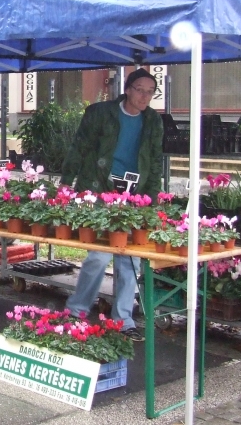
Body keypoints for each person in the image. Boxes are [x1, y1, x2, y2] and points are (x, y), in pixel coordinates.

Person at [60, 68, 164, 342]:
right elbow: (78, 147)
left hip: (134, 194)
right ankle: (77, 309)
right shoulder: (100, 113)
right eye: (140, 90)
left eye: (150, 91)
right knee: (99, 254)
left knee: (130, 258)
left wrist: (151, 198)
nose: (145, 96)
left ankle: (123, 318)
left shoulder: (153, 121)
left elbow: (155, 161)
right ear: (127, 89)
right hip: (99, 188)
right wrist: (66, 183)